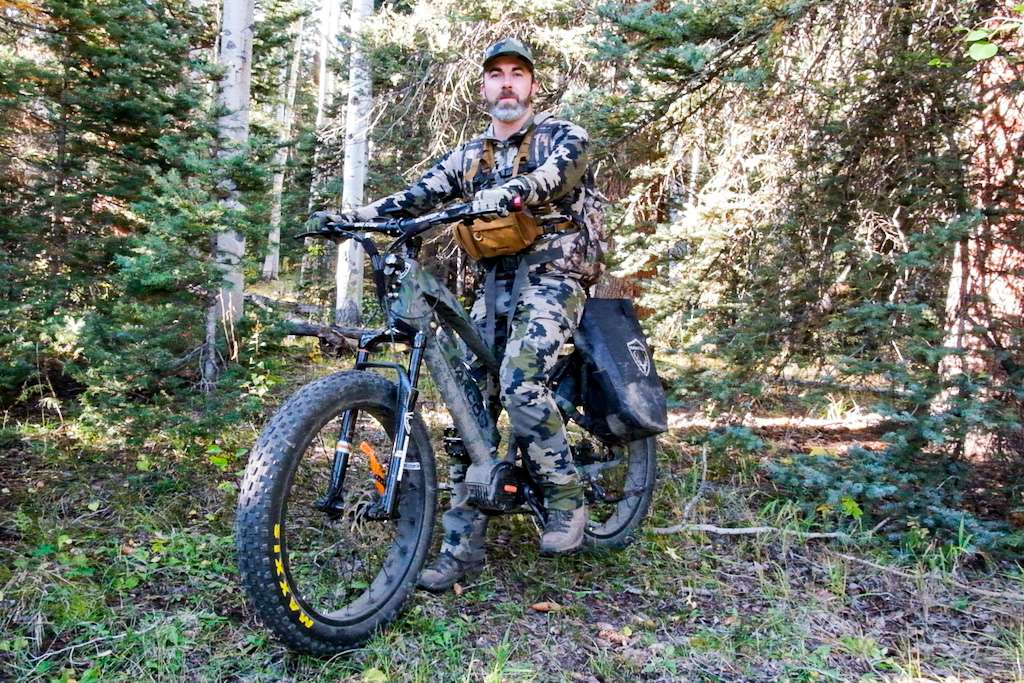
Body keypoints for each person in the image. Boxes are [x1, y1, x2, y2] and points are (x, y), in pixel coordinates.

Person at [330, 38, 603, 591]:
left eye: (517, 74)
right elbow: (413, 198)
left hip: (554, 277)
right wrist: (349, 217)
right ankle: (462, 546)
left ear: (531, 86)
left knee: (521, 384)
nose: (507, 83)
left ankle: (566, 498)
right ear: (484, 87)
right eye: (496, 74)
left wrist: (513, 192)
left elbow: (555, 176)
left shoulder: (562, 136)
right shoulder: (469, 155)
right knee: (468, 409)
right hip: (496, 283)